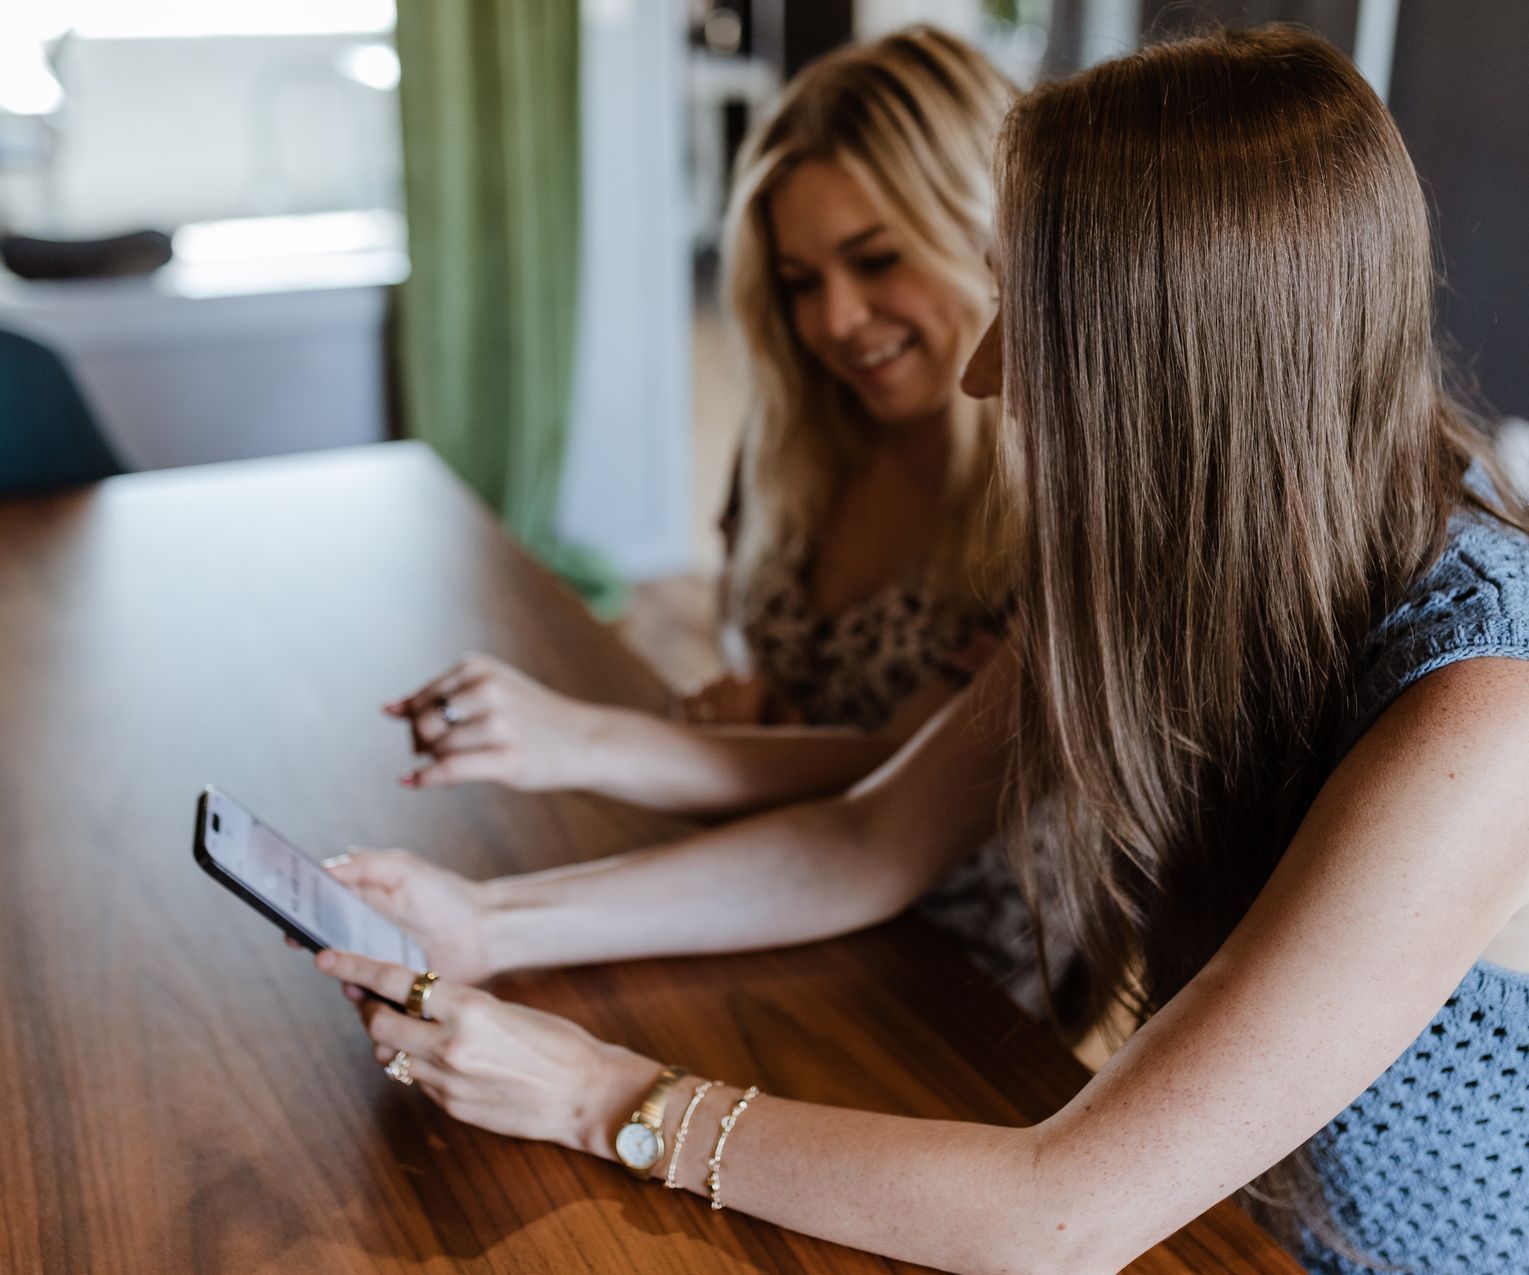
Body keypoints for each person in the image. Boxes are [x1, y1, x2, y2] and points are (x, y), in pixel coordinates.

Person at [314, 26, 1529, 1274]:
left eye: (1027, 314)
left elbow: (1061, 1213)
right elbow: (867, 843)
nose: (983, 370)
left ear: (1177, 358)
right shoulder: (1148, 569)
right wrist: (487, 924)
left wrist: (599, 1098)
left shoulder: (1483, 704)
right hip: (1229, 1220)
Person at [385, 27, 1052, 1009]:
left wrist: (590, 742)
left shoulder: (1052, 505)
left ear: (985, 236)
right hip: (753, 889)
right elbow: (797, 702)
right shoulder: (797, 441)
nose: (834, 321)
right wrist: (754, 720)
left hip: (960, 978)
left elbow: (904, 781)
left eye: (875, 261)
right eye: (797, 282)